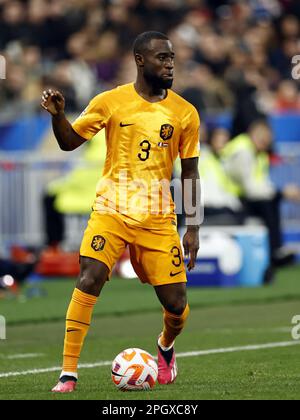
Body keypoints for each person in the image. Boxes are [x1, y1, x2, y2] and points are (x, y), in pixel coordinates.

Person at [41, 31, 201, 393]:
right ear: (140, 61)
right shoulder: (110, 101)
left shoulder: (185, 113)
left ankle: (165, 346)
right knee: (90, 277)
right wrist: (58, 116)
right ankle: (68, 373)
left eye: (172, 58)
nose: (170, 64)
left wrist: (193, 227)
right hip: (111, 209)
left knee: (176, 305)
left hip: (158, 217)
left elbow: (190, 173)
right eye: (163, 57)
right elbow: (69, 142)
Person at [222, 119, 300, 267]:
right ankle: (274, 251)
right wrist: (282, 192)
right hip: (232, 198)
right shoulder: (242, 150)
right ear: (254, 134)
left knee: (272, 200)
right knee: (269, 202)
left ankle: (276, 249)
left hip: (243, 197)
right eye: (263, 139)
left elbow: (262, 184)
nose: (266, 144)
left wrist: (279, 193)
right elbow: (250, 188)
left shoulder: (258, 152)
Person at [200, 127, 244, 226]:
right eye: (218, 141)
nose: (222, 145)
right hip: (206, 205)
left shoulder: (225, 161)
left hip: (223, 203)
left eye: (225, 141)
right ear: (211, 140)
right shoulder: (202, 157)